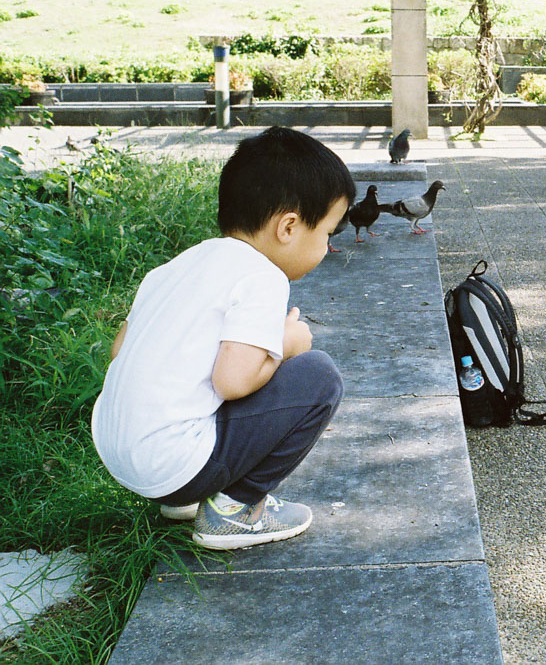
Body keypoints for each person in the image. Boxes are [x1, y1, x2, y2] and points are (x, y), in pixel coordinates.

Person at [91, 126, 355, 550]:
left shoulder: (176, 267)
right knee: (319, 376)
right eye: (327, 232)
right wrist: (287, 342)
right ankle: (234, 508)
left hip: (123, 456)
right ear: (288, 226)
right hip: (173, 466)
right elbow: (231, 381)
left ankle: (187, 499)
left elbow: (119, 349)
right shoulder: (262, 276)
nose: (326, 246)